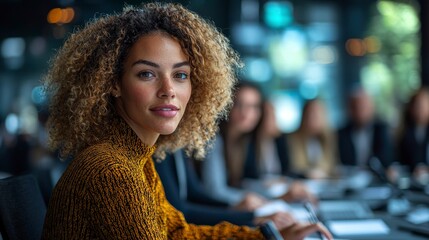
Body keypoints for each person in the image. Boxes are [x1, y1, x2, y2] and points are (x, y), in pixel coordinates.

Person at [41, 3, 331, 240]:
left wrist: (268, 236)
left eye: (180, 75)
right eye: (147, 73)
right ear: (113, 83)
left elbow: (178, 232)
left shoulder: (138, 160)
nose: (168, 90)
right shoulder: (112, 170)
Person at [201, 82, 316, 207]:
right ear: (226, 106)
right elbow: (214, 191)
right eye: (239, 104)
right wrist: (272, 199)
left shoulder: (243, 141)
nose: (246, 113)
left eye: (254, 106)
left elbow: (244, 184)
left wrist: (286, 188)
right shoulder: (213, 139)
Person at [156, 150, 294, 229]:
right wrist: (251, 217)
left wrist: (233, 208)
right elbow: (181, 211)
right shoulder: (160, 146)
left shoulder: (176, 143)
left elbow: (195, 193)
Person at [337, 86, 394, 169]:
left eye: (363, 106)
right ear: (349, 109)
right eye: (355, 106)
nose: (359, 110)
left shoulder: (382, 130)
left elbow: (386, 159)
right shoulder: (341, 134)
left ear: (372, 107)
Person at [287, 99, 338, 179]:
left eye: (316, 113)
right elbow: (294, 168)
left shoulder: (329, 139)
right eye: (309, 113)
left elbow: (332, 167)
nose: (312, 117)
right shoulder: (291, 139)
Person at [396, 87, 429, 183]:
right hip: (409, 180)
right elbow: (399, 160)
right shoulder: (404, 132)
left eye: (423, 106)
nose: (420, 110)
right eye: (417, 106)